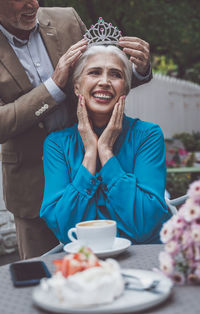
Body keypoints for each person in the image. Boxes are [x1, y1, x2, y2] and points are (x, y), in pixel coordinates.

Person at [0, 0, 152, 259]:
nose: (32, 4)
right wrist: (53, 88)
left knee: (111, 264)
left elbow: (98, 81)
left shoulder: (67, 19)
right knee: (45, 276)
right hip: (31, 185)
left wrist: (138, 70)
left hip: (96, 169)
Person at [40, 44, 171, 245]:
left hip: (143, 257)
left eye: (115, 75)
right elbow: (64, 228)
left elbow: (145, 225)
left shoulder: (147, 135)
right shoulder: (57, 145)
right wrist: (90, 154)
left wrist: (106, 151)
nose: (104, 82)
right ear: (77, 87)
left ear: (125, 89)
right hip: (85, 262)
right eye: (94, 72)